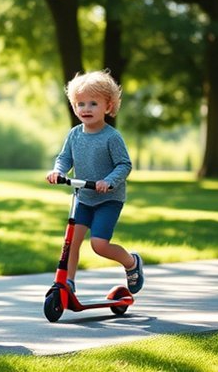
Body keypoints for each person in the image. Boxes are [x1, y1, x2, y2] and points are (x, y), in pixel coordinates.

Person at [45, 70, 144, 295]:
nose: (86, 109)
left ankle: (131, 262)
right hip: (84, 197)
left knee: (99, 245)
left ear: (108, 107)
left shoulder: (111, 137)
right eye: (80, 104)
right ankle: (67, 282)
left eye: (93, 103)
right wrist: (57, 171)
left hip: (108, 199)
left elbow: (124, 165)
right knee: (71, 242)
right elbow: (65, 158)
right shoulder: (74, 135)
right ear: (74, 106)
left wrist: (108, 181)